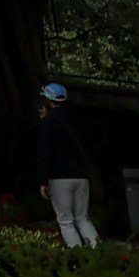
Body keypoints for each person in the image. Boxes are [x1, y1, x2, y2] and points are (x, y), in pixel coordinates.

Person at [37, 84, 99, 249]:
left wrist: (43, 180)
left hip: (59, 178)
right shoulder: (79, 121)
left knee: (66, 221)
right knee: (83, 218)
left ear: (48, 101)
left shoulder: (48, 123)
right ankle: (99, 252)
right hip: (82, 177)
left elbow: (45, 153)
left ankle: (77, 258)